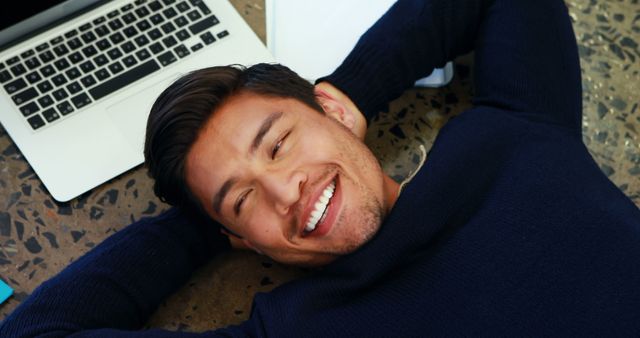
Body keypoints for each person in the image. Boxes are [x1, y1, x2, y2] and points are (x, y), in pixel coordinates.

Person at [2, 0, 639, 336]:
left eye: (278, 143)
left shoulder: (508, 136)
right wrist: (210, 219)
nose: (285, 191)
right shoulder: (299, 328)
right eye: (244, 200)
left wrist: (348, 96)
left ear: (331, 110)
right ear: (239, 243)